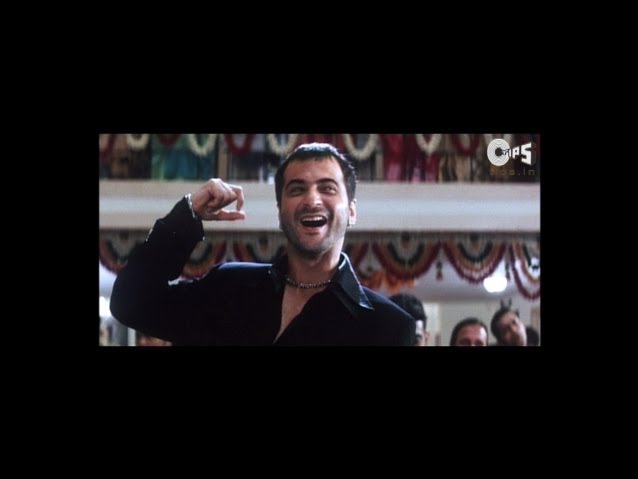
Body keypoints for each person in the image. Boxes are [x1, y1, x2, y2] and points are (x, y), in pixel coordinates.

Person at [111, 142, 415, 346]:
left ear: (351, 211)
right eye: (297, 189)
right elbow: (132, 304)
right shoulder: (227, 287)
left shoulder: (388, 327)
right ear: (280, 212)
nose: (312, 200)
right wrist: (186, 216)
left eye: (327, 188)